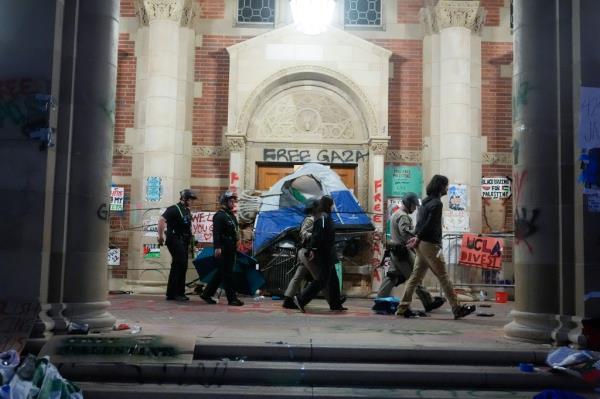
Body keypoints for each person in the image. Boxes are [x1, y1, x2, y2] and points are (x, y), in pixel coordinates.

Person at [395, 175, 476, 319]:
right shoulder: (437, 204)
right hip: (431, 245)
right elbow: (430, 224)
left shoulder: (424, 203)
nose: (447, 188)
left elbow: (420, 224)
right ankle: (457, 308)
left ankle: (402, 308)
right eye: (445, 185)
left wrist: (416, 238)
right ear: (440, 187)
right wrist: (418, 237)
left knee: (414, 278)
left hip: (421, 245)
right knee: (444, 277)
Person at [377, 192, 446, 313]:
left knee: (392, 276)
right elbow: (406, 234)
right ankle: (428, 302)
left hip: (395, 251)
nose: (414, 209)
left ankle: (380, 300)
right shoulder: (403, 217)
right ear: (408, 203)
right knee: (414, 277)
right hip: (403, 252)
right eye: (413, 206)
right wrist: (418, 233)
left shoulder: (395, 214)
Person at [292, 195, 346, 312]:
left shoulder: (324, 216)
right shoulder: (322, 217)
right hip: (323, 253)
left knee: (333, 280)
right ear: (328, 205)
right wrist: (313, 249)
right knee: (322, 280)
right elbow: (318, 235)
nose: (333, 207)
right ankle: (301, 299)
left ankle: (335, 304)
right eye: (332, 205)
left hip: (328, 252)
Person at [200, 191, 244, 306]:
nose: (233, 203)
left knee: (221, 273)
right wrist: (217, 247)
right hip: (224, 248)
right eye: (231, 200)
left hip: (231, 247)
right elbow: (216, 233)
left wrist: (238, 241)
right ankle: (232, 299)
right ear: (224, 202)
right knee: (228, 274)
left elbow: (235, 230)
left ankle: (206, 294)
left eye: (234, 200)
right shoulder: (219, 215)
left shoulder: (230, 215)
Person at [157, 189, 197, 301]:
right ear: (184, 199)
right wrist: (160, 237)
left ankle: (174, 293)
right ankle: (176, 293)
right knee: (180, 263)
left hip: (183, 241)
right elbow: (161, 220)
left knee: (180, 265)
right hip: (174, 239)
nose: (192, 202)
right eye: (190, 199)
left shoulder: (186, 210)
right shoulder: (174, 209)